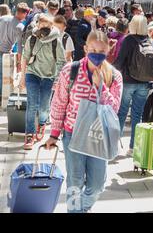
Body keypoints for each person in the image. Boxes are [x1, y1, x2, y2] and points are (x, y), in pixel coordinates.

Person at [46, 31, 123, 213]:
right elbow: (59, 103)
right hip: (73, 134)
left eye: (102, 50)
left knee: (97, 185)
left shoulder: (114, 75)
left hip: (99, 135)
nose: (97, 53)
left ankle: (81, 209)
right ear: (86, 48)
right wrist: (54, 134)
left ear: (108, 50)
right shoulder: (70, 71)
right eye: (93, 49)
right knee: (75, 181)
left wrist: (101, 86)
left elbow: (115, 108)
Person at [20, 14, 65, 150]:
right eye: (42, 24)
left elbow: (61, 61)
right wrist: (22, 77)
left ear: (51, 26)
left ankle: (42, 123)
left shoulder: (56, 40)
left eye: (47, 25)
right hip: (32, 74)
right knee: (32, 104)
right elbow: (25, 58)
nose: (44, 27)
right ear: (38, 24)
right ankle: (29, 134)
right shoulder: (32, 38)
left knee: (44, 107)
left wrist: (57, 79)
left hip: (49, 76)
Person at [115, 15, 153, 156]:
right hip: (144, 83)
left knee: (122, 113)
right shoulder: (150, 41)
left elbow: (120, 62)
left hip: (127, 81)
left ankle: (115, 145)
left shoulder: (128, 40)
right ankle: (133, 147)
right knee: (137, 115)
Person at [0, 2, 29, 96]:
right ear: (24, 13)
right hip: (5, 53)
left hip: (4, 51)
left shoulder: (3, 18)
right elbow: (20, 46)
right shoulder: (20, 27)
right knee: (2, 77)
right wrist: (19, 62)